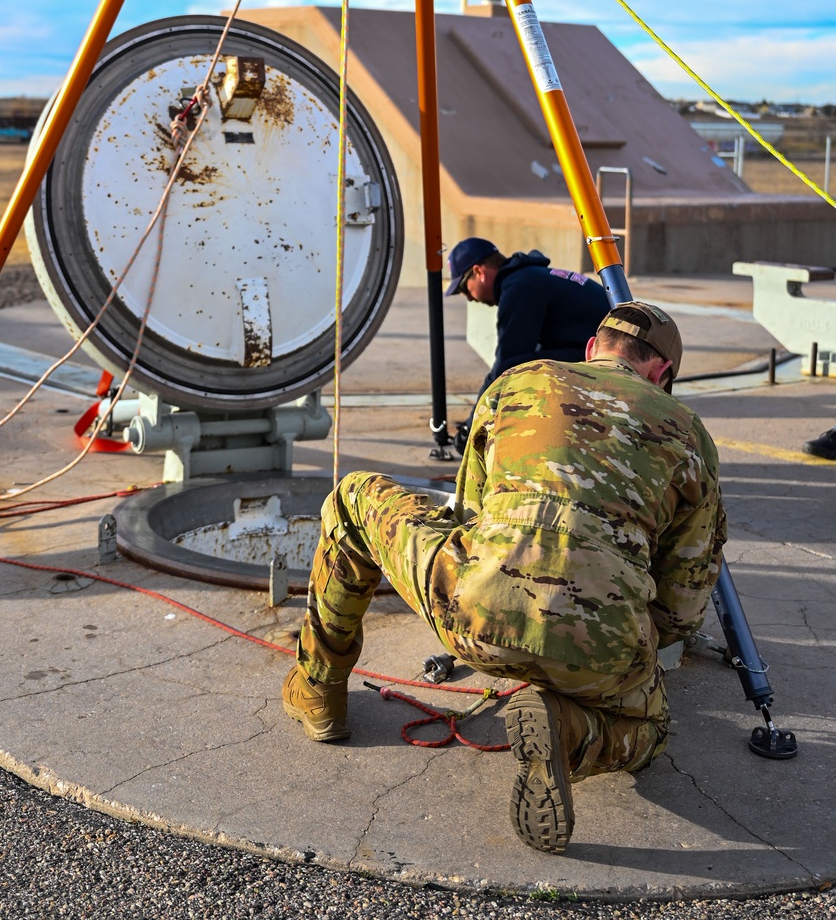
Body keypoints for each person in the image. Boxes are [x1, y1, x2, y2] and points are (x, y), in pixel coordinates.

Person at [282, 301, 726, 855]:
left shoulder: (519, 383)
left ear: (593, 348)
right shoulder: (690, 435)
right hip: (602, 651)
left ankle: (319, 690)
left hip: (474, 616)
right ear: (662, 374)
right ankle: (569, 731)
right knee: (651, 730)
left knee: (353, 498)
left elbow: (469, 517)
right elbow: (683, 608)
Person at [436, 236, 610, 456]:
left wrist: (471, 429)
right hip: (604, 351)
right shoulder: (530, 277)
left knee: (521, 371)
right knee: (527, 365)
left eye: (464, 288)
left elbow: (506, 368)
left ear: (479, 272)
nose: (469, 298)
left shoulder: (520, 287)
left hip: (603, 359)